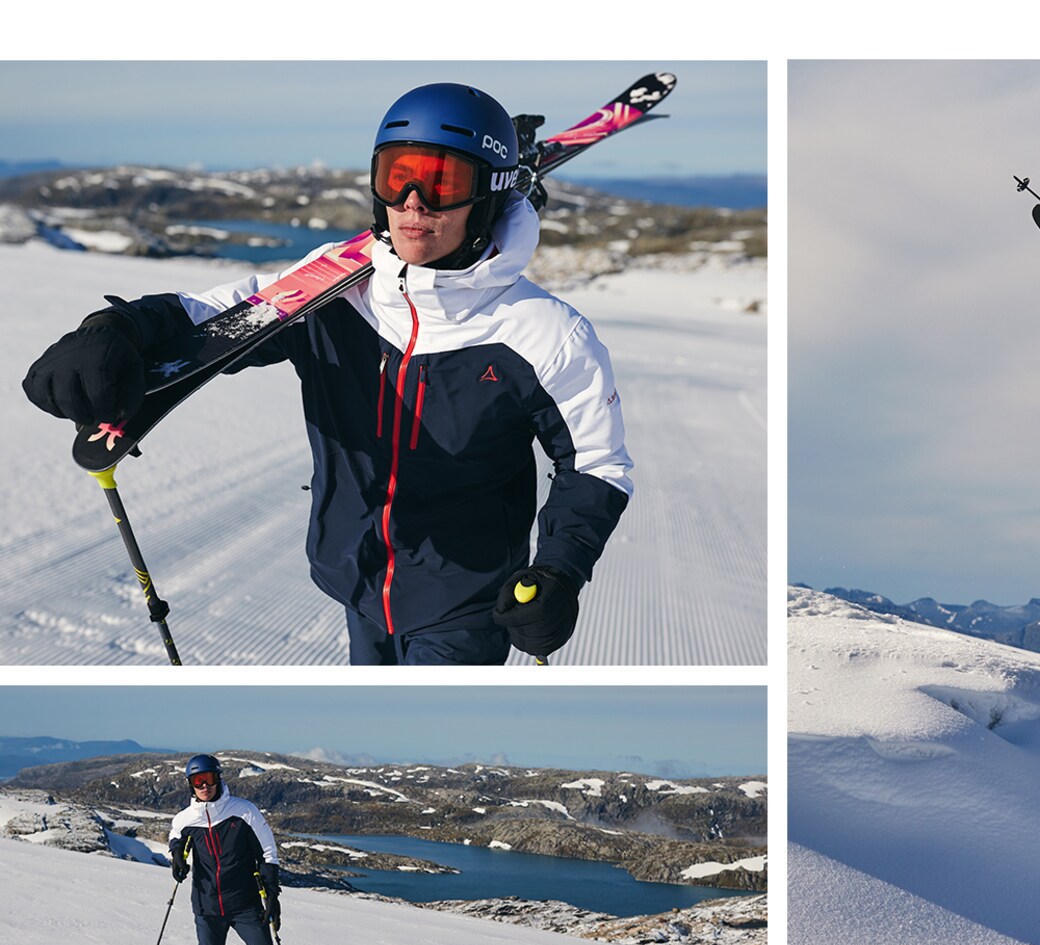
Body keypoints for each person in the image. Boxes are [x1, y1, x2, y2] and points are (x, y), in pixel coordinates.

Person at [23, 82, 633, 665]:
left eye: (444, 182)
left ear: (489, 194)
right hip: (356, 576)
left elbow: (595, 465)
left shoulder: (545, 333)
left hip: (465, 604)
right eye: (397, 176)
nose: (413, 202)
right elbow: (224, 315)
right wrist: (115, 332)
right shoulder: (335, 288)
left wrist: (559, 569)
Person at [168, 753, 287, 945]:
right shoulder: (186, 819)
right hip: (207, 904)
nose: (204, 785)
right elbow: (175, 838)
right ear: (190, 785)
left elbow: (268, 852)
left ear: (219, 778)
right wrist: (177, 858)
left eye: (208, 779)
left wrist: (272, 894)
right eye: (197, 781)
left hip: (246, 903)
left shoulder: (243, 812)